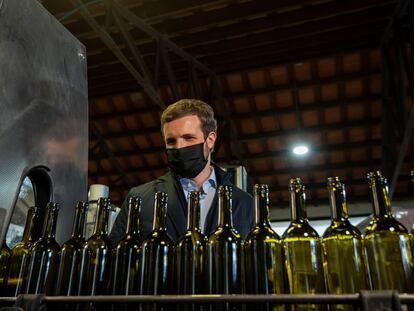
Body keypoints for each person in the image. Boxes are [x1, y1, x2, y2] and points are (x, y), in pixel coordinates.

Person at [109, 99, 254, 243]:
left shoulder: (244, 204)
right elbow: (116, 259)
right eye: (171, 141)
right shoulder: (140, 198)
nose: (179, 147)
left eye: (188, 138)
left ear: (210, 139)